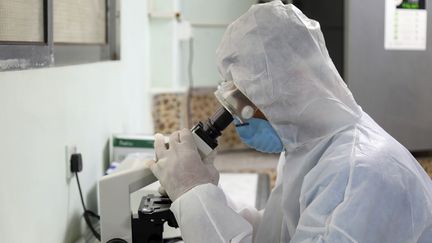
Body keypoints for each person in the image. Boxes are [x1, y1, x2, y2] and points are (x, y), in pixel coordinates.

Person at [147, 2, 432, 242]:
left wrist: (193, 193)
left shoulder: (358, 173)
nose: (236, 116)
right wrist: (205, 192)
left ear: (288, 86)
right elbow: (276, 236)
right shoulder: (307, 152)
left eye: (244, 97)